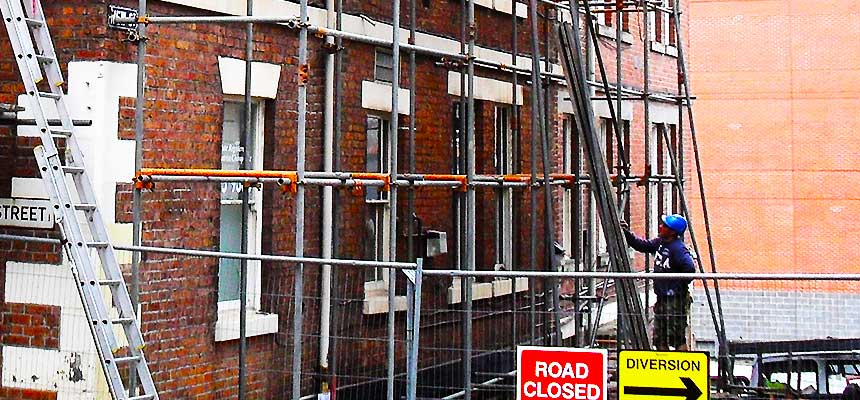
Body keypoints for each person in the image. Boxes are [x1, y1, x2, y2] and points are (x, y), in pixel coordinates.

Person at [621, 214, 695, 351]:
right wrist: (626, 233)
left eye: (665, 226)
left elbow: (689, 269)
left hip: (675, 300)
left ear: (672, 232)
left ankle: (683, 366)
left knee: (676, 338)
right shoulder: (661, 243)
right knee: (659, 337)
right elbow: (642, 245)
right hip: (662, 298)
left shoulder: (678, 249)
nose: (661, 227)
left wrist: (675, 285)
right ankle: (663, 369)